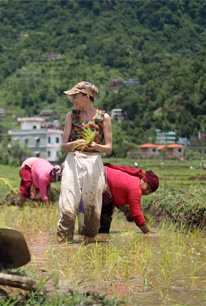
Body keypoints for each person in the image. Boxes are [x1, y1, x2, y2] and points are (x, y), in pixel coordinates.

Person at [57, 81, 113, 244]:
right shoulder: (71, 116)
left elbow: (108, 147)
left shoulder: (104, 118)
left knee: (92, 205)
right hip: (74, 160)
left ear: (86, 97)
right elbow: (63, 145)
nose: (73, 100)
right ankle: (63, 243)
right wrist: (74, 144)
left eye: (75, 96)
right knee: (68, 203)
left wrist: (96, 146)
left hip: (94, 161)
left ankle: (89, 241)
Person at [99, 163, 159, 234]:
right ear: (143, 180)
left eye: (150, 192)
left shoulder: (134, 182)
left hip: (100, 174)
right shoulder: (136, 188)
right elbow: (136, 214)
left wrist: (126, 211)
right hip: (100, 179)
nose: (147, 192)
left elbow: (116, 195)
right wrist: (147, 232)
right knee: (103, 223)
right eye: (148, 188)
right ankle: (99, 237)